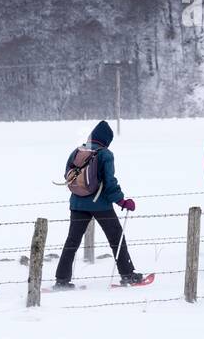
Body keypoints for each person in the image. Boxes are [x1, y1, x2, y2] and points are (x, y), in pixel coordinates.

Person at [53, 120, 144, 288]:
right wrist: (122, 201)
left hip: (77, 204)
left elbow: (68, 174)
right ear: (106, 140)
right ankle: (127, 274)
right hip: (100, 205)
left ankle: (62, 280)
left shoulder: (77, 151)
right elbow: (109, 182)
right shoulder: (105, 154)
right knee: (116, 238)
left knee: (72, 241)